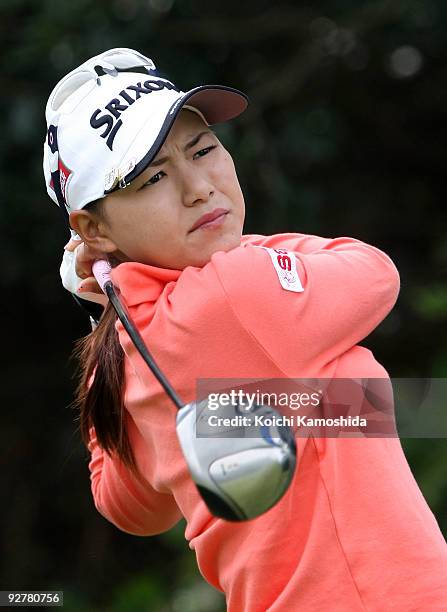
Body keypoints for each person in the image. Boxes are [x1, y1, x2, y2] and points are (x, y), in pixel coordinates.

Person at [44, 48, 447, 611]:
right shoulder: (237, 291)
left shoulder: (125, 348)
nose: (198, 187)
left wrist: (103, 306)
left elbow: (130, 507)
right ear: (93, 228)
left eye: (202, 149)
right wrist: (248, 254)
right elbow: (375, 272)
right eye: (152, 176)